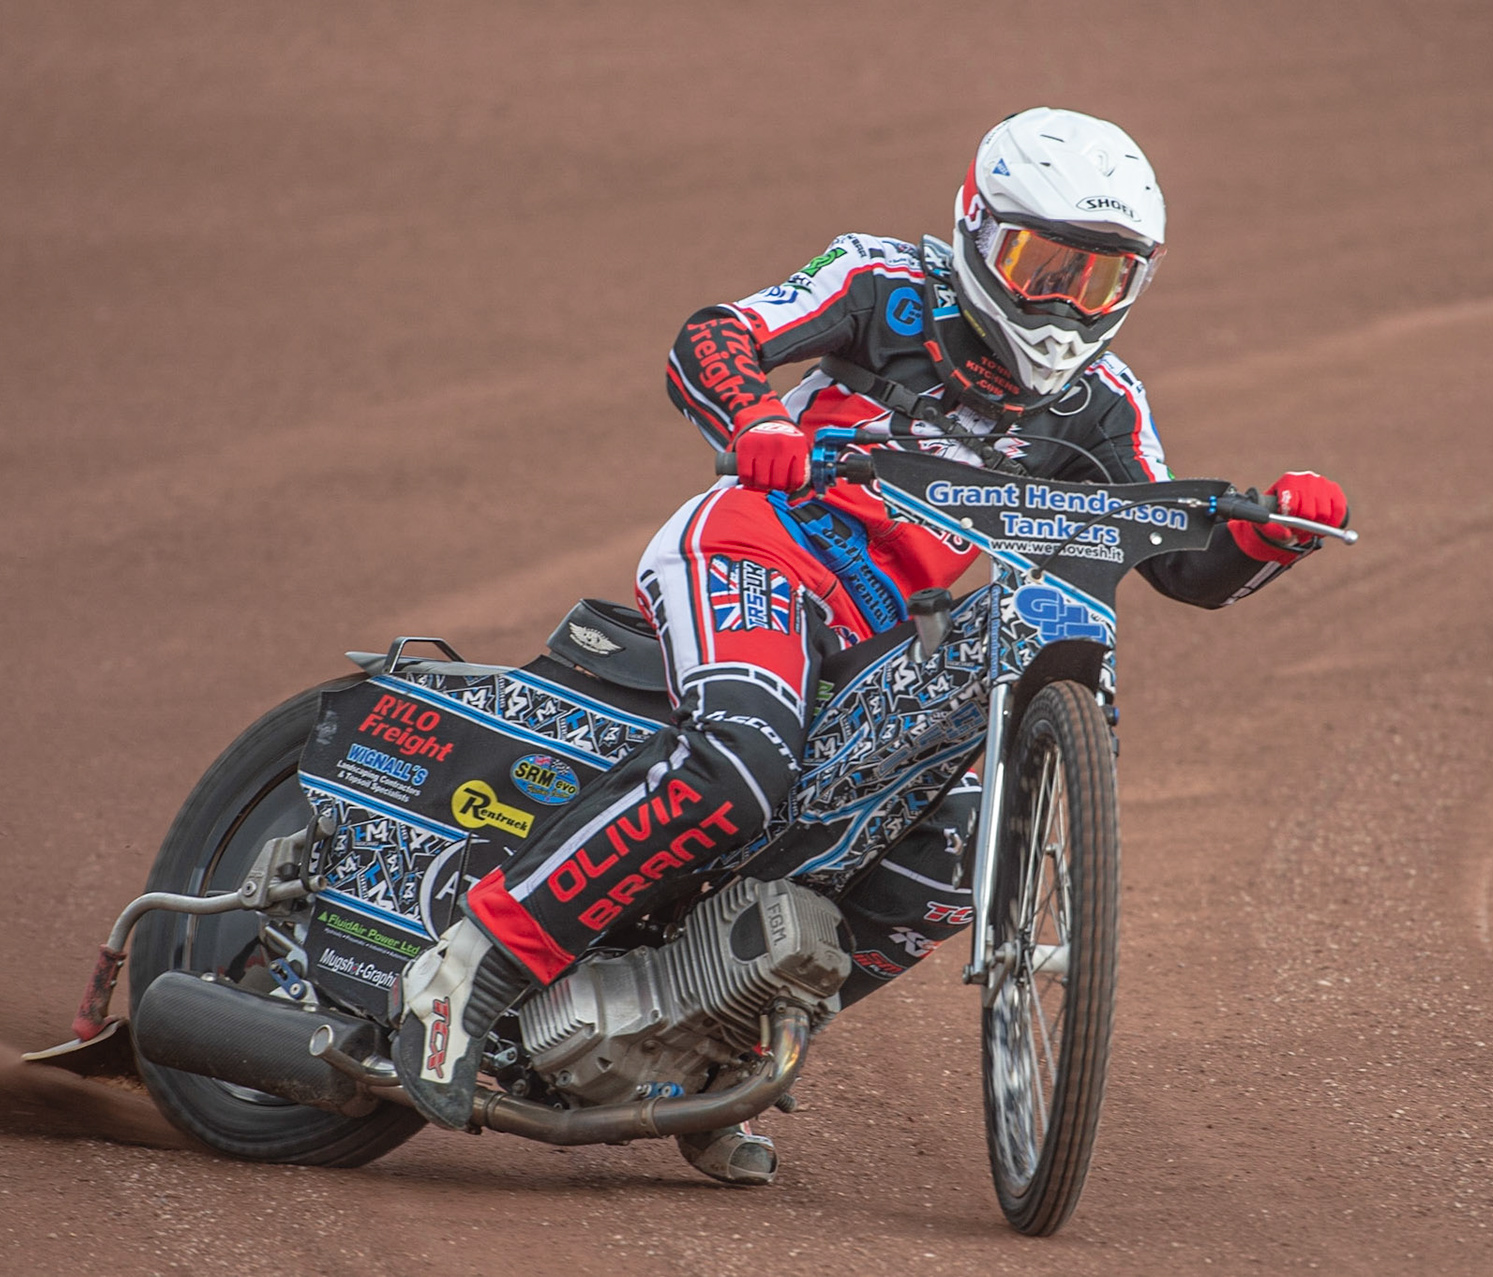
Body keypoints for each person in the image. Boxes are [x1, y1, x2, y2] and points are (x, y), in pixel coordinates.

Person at [391, 107, 1349, 1184]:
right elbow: (713, 334)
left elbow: (1179, 565)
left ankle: (720, 1044)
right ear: (977, 230)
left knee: (954, 857)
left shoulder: (1103, 405)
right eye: (1042, 265)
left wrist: (1270, 537)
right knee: (741, 765)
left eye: (1100, 281)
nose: (1063, 304)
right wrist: (754, 417)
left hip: (878, 637)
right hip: (756, 550)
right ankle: (469, 964)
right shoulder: (881, 280)